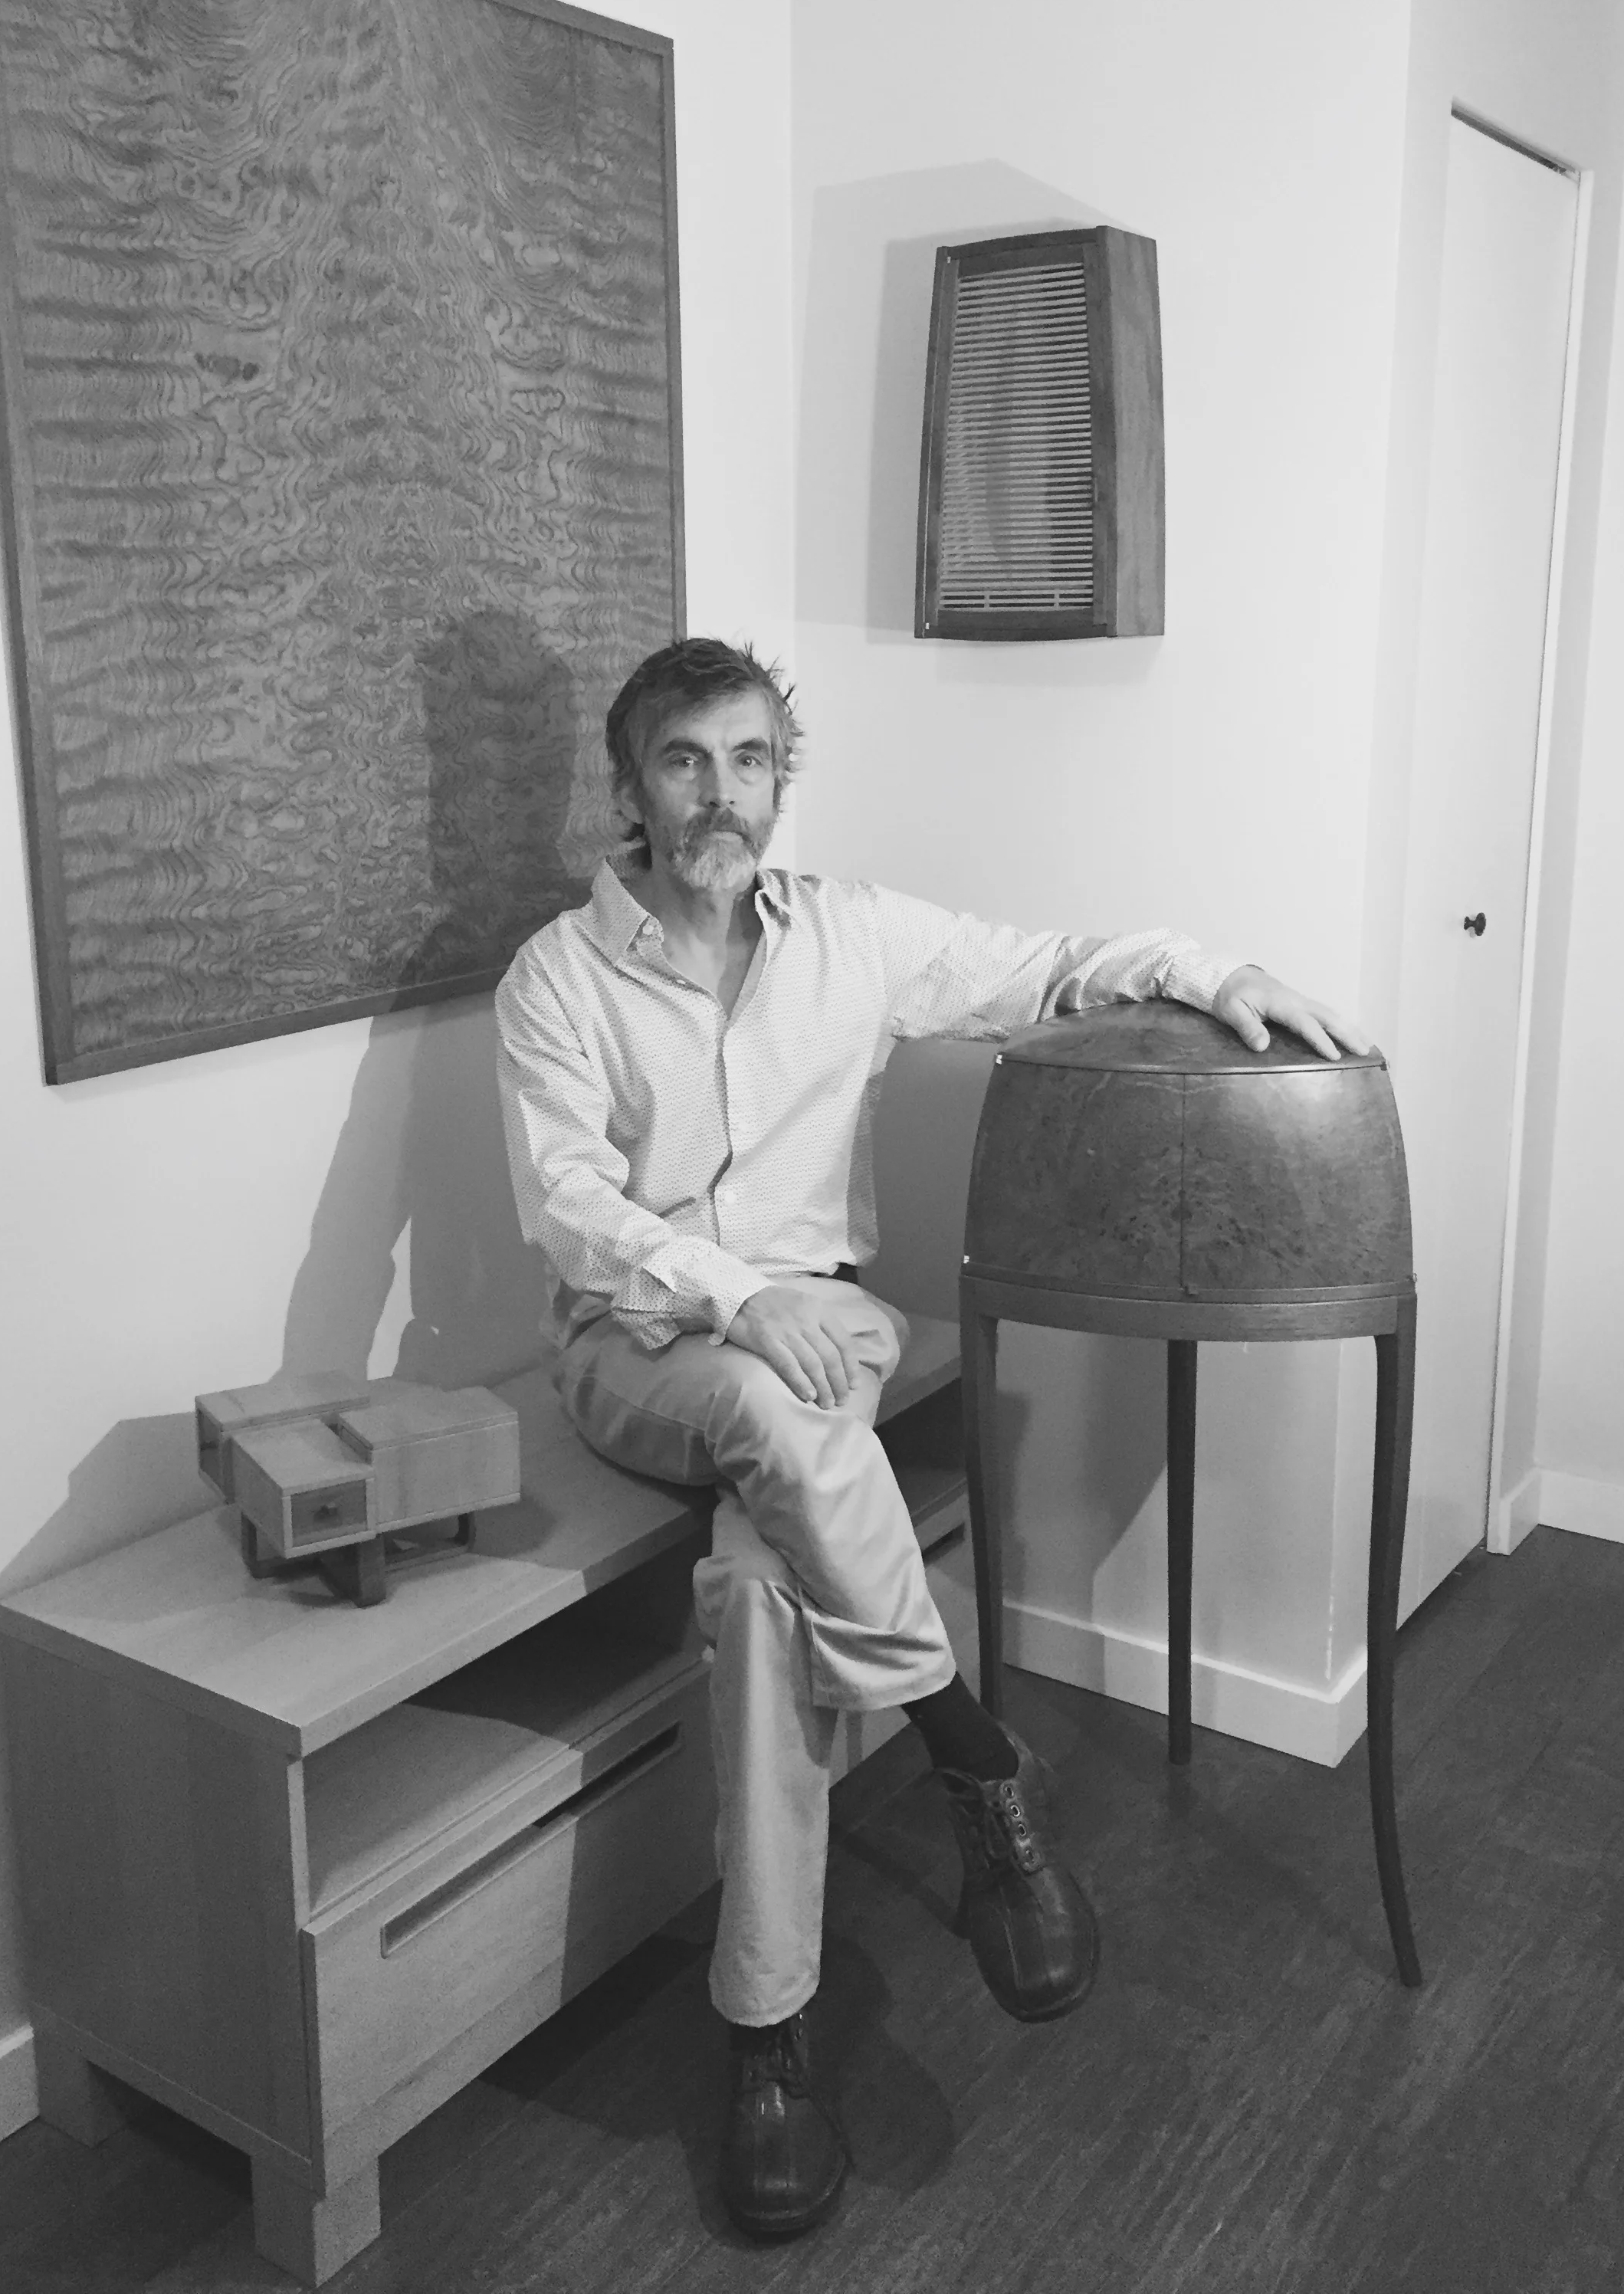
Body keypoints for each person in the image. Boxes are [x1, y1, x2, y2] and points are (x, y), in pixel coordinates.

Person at [494, 638, 1368, 2240]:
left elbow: (1052, 967)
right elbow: (570, 1210)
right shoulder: (556, 978)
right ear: (631, 785)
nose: (718, 794)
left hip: (828, 1337)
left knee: (762, 1597)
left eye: (748, 759)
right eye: (683, 761)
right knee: (762, 1398)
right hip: (638, 1349)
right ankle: (972, 1757)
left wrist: (1212, 972)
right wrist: (742, 1299)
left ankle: (766, 2039)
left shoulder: (854, 938)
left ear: (781, 777)